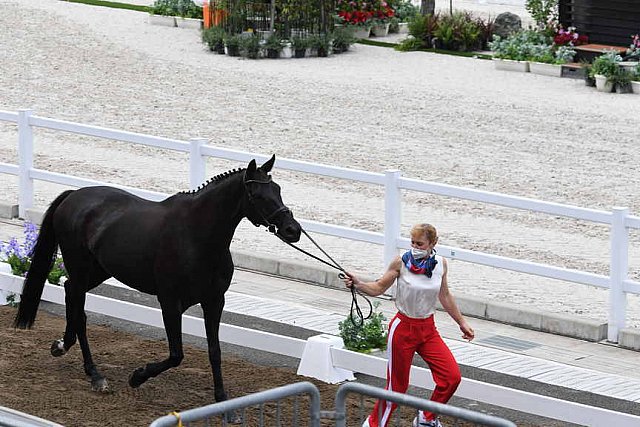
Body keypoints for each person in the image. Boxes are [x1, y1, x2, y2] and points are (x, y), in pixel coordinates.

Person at [343, 223, 474, 427]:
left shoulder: (441, 264)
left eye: (420, 243)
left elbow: (445, 295)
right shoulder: (400, 262)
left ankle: (427, 418)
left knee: (451, 377)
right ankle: (374, 424)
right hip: (403, 328)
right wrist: (359, 284)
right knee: (397, 387)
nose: (414, 246)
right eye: (412, 242)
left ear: (433, 243)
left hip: (428, 330)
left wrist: (462, 322)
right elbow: (378, 287)